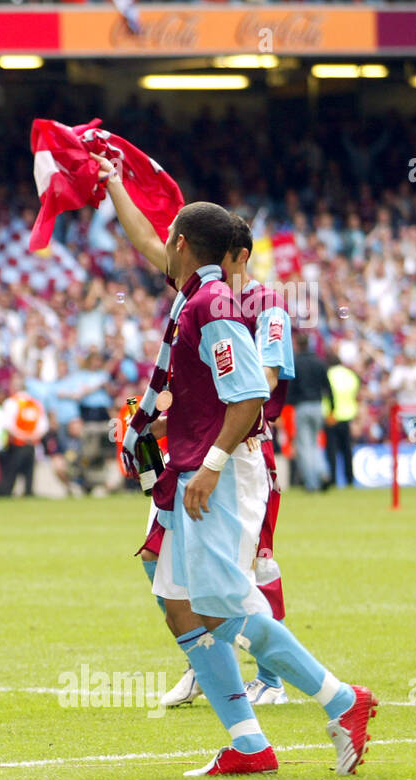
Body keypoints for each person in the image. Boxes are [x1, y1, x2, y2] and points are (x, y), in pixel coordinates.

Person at [96, 168, 375, 775]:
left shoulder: (216, 304)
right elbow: (211, 396)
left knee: (224, 604)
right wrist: (153, 430)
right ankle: (250, 747)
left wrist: (212, 464)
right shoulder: (194, 298)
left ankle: (344, 700)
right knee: (177, 603)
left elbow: (250, 395)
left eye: (167, 237)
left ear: (180, 243)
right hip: (192, 464)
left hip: (220, 470)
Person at [156, 214, 297, 708]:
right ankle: (210, 662)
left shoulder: (262, 303)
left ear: (241, 256)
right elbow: (152, 247)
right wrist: (113, 185)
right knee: (163, 562)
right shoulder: (194, 293)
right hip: (191, 452)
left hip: (237, 449)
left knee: (247, 568)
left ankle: (277, 680)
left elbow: (265, 380)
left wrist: (216, 445)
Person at [286, 333, 332, 492]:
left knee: (304, 446)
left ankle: (312, 483)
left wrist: (287, 404)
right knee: (316, 443)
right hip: (318, 406)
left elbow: (290, 388)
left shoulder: (296, 363)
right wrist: (332, 407)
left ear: (298, 345)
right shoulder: (319, 362)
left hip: (302, 406)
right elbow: (328, 386)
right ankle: (323, 472)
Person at [324, 351, 361, 488]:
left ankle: (333, 479)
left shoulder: (328, 374)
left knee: (332, 450)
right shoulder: (350, 375)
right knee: (347, 450)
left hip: (331, 416)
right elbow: (355, 394)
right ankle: (349, 478)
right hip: (348, 415)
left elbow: (326, 394)